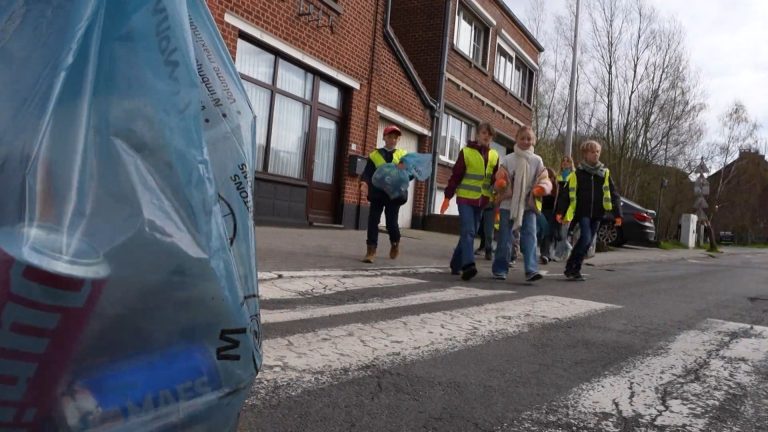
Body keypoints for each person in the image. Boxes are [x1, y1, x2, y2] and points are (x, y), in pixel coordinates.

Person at [555, 140, 622, 281]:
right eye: (592, 152)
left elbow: (614, 194)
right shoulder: (577, 174)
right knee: (585, 238)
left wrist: (618, 214)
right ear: (585, 154)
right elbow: (566, 195)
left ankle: (572, 267)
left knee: (588, 242)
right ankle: (574, 268)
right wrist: (560, 211)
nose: (596, 154)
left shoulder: (604, 173)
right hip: (582, 212)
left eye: (598, 152)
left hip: (598, 214)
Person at [491, 126, 551, 282]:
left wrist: (541, 188)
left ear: (534, 141)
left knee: (530, 237)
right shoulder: (508, 159)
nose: (525, 141)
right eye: (522, 138)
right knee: (505, 238)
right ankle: (500, 269)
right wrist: (501, 183)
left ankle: (531, 270)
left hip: (528, 205)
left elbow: (544, 178)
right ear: (516, 139)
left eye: (529, 138)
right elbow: (500, 176)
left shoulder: (537, 160)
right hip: (508, 205)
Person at [441, 122, 499, 280]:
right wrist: (447, 197)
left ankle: (455, 264)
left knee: (469, 233)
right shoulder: (466, 152)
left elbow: (494, 179)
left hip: (482, 201)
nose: (486, 136)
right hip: (465, 198)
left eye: (490, 134)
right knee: (469, 231)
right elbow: (456, 176)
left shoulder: (494, 156)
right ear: (477, 135)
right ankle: (468, 265)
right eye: (484, 133)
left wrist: (497, 194)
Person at [359, 125, 408, 263]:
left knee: (391, 223)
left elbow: (408, 174)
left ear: (398, 140)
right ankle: (371, 251)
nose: (393, 140)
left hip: (394, 194)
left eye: (395, 137)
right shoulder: (374, 155)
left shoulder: (403, 155)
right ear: (384, 138)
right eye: (390, 137)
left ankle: (395, 243)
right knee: (373, 220)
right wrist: (364, 183)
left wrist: (403, 175)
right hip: (377, 193)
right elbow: (367, 173)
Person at [537, 167, 559, 264]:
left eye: (550, 177)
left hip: (551, 213)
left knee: (549, 233)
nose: (549, 179)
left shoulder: (556, 188)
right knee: (543, 231)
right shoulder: (541, 187)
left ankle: (545, 254)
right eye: (547, 177)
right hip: (541, 212)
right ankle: (544, 253)